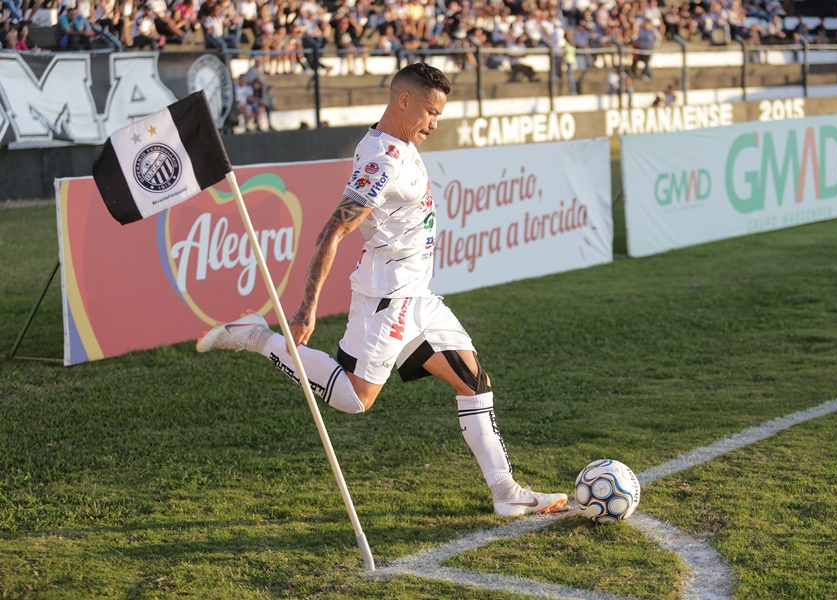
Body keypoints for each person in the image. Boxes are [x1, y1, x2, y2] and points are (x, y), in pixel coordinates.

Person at [196, 63, 568, 518]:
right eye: (430, 112)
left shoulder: (402, 141)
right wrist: (305, 310)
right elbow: (333, 231)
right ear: (403, 101)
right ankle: (256, 336)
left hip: (418, 295)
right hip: (387, 297)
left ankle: (505, 491)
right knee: (355, 399)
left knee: (473, 382)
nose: (435, 123)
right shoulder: (382, 162)